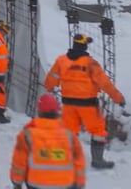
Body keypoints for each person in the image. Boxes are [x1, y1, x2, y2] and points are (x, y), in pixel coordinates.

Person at [44, 33, 125, 169]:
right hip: (88, 105)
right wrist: (118, 98)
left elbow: (50, 80)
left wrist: (50, 87)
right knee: (98, 131)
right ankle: (97, 161)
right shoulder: (91, 64)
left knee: (69, 131)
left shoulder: (61, 61)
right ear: (85, 46)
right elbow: (105, 84)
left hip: (69, 104)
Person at [10, 94, 86, 189]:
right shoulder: (69, 136)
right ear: (57, 112)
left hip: (36, 184)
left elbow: (19, 161)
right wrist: (79, 184)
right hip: (65, 184)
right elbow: (79, 161)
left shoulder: (27, 135)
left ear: (39, 111)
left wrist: (17, 182)